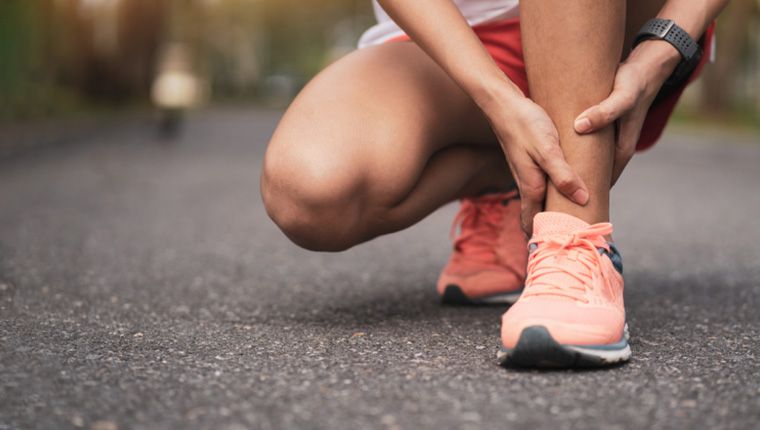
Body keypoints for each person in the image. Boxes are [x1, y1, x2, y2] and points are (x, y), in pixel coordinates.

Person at [260, 0, 726, 368]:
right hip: (453, 36)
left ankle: (575, 242)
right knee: (308, 191)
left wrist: (671, 37)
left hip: (623, 22)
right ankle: (509, 186)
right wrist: (496, 99)